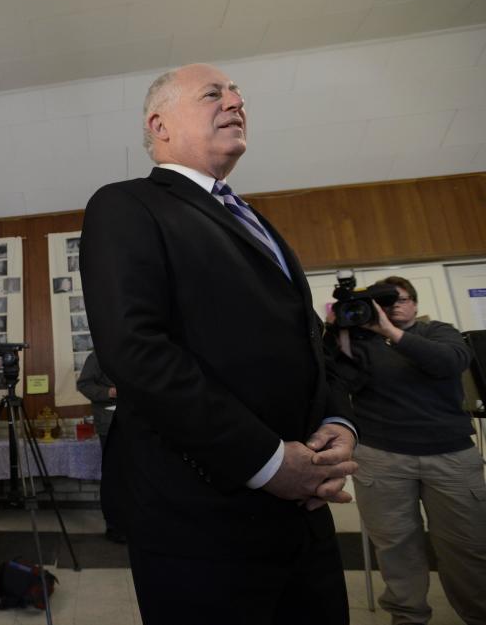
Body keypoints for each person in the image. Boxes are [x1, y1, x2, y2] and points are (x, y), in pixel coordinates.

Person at [79, 63, 359, 625]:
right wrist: (269, 461)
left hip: (304, 514)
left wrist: (338, 420)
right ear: (158, 124)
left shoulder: (255, 219)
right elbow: (136, 352)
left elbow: (310, 341)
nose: (236, 102)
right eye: (214, 93)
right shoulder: (126, 205)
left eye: (238, 95)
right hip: (204, 522)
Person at [337, 276, 486, 625]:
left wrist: (391, 332)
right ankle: (408, 618)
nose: (393, 306)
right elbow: (342, 380)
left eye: (399, 299)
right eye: (383, 301)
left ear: (415, 305)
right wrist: (340, 334)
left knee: (468, 547)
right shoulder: (361, 343)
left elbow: (448, 362)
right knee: (396, 548)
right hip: (381, 457)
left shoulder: (439, 332)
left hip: (450, 458)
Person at [75, 351, 124, 543]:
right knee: (114, 475)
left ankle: (134, 522)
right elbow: (84, 384)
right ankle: (114, 526)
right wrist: (109, 392)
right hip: (109, 425)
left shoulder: (129, 352)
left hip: (134, 424)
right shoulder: (97, 356)